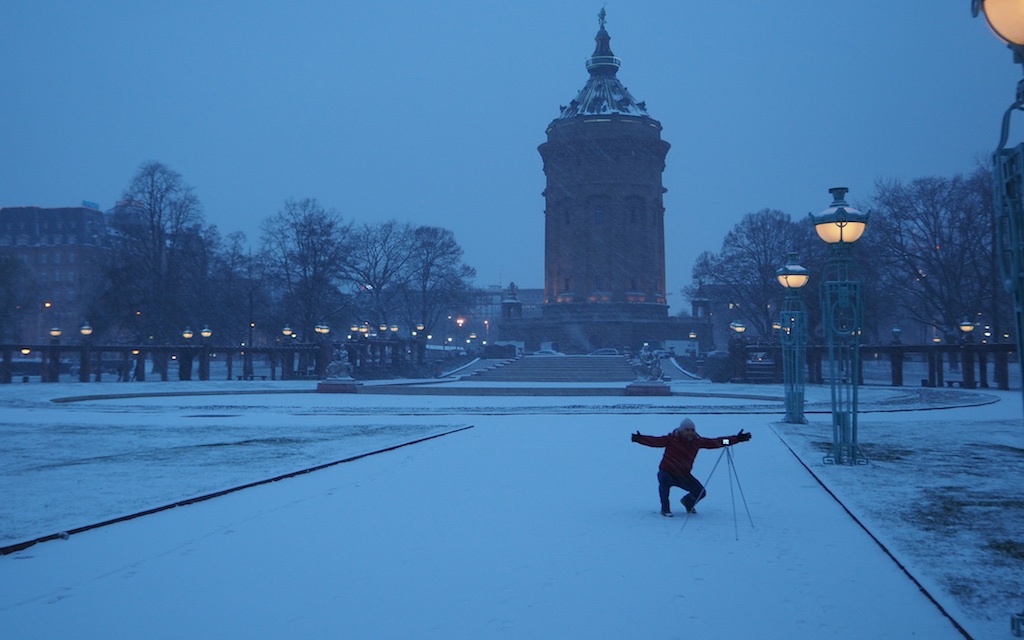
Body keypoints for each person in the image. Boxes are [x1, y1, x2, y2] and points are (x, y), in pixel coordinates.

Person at [631, 418, 751, 517]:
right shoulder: (672, 439)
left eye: (692, 430)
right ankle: (665, 509)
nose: (690, 432)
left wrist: (737, 439)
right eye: (687, 430)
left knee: (700, 492)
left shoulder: (697, 441)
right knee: (664, 484)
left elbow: (717, 442)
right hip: (667, 471)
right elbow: (655, 441)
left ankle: (688, 502)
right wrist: (640, 439)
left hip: (684, 474)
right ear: (681, 430)